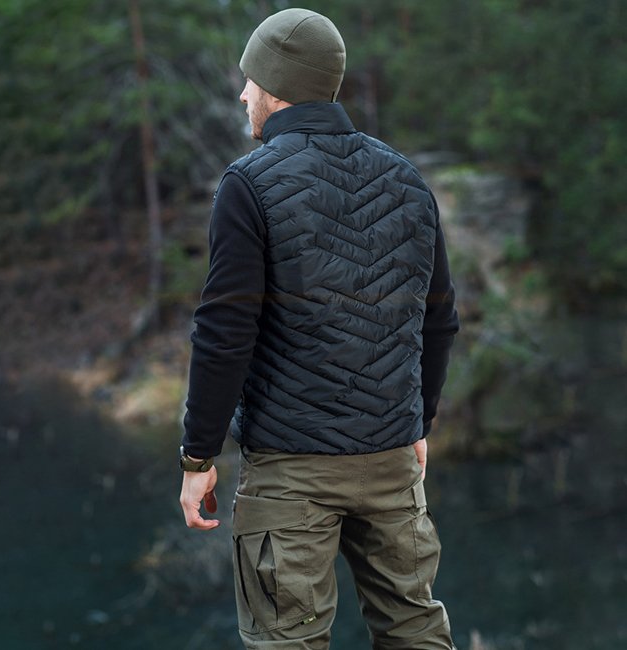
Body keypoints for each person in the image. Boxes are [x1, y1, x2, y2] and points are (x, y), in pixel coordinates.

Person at [179, 8, 459, 649]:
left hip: (292, 471)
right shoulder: (406, 178)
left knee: (287, 640)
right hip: (390, 457)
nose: (242, 94)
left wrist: (198, 456)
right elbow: (439, 319)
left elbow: (225, 332)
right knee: (415, 629)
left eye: (249, 79)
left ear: (276, 85)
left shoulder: (248, 184)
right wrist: (418, 422)